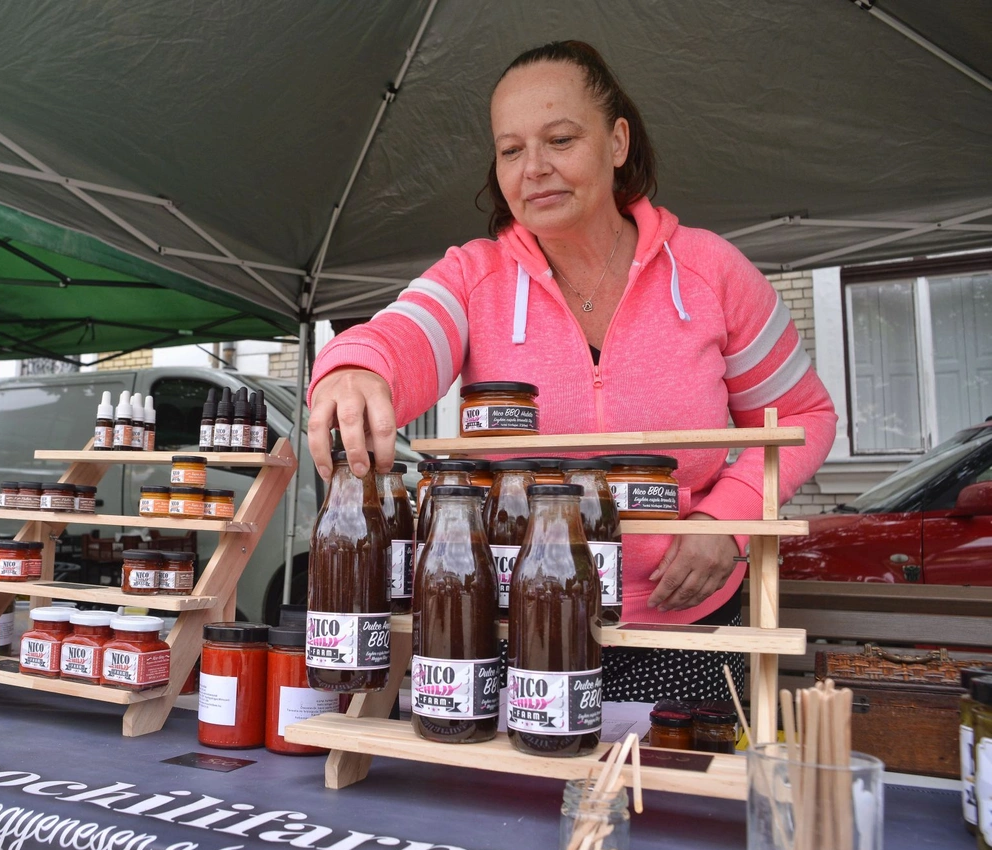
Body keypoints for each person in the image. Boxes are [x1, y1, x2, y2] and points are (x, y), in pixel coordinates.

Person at [305, 40, 836, 702]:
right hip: (508, 632)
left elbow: (805, 417)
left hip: (684, 633)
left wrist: (725, 523)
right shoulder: (477, 278)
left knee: (666, 803)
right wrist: (356, 366)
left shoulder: (711, 273)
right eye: (510, 150)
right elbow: (403, 335)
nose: (535, 169)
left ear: (617, 141)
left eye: (559, 139)